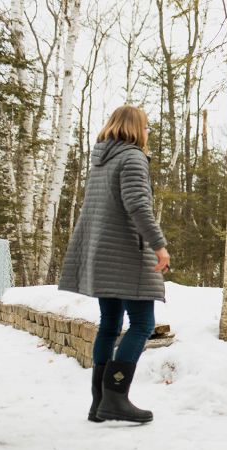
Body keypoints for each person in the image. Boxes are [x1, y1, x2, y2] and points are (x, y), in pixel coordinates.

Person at [59, 106, 170, 424]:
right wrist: (159, 245)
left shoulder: (101, 159)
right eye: (146, 127)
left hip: (101, 255)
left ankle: (100, 404)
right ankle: (115, 399)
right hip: (125, 255)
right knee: (142, 324)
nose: (148, 132)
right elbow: (136, 204)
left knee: (109, 325)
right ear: (136, 128)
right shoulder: (133, 157)